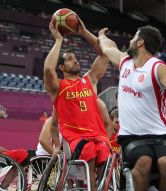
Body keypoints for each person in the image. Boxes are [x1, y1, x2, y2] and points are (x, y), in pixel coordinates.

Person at [98, 25, 166, 191]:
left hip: (161, 135)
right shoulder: (124, 62)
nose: (130, 40)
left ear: (140, 42)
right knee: (144, 161)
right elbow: (107, 47)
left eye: (134, 37)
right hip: (132, 137)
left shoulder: (158, 68)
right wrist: (100, 35)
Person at [44, 17, 110, 190]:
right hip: (77, 140)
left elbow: (104, 54)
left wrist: (84, 32)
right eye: (70, 59)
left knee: (104, 155)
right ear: (62, 68)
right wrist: (59, 40)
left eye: (76, 58)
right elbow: (48, 70)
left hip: (99, 137)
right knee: (88, 154)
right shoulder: (58, 87)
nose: (76, 60)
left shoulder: (90, 80)